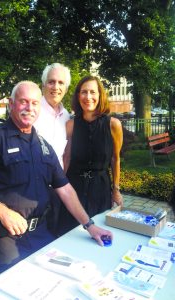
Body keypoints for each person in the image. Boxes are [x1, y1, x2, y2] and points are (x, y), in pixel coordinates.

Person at [0, 80, 113, 282]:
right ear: (11, 103)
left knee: (54, 282)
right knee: (12, 287)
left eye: (34, 103)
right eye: (23, 102)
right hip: (4, 236)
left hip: (41, 233)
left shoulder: (43, 145)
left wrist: (89, 225)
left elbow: (65, 189)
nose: (29, 108)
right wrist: (3, 213)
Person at [57, 75, 123, 235]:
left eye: (93, 92)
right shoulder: (71, 125)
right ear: (78, 96)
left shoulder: (113, 124)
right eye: (84, 92)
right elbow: (67, 157)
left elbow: (115, 158)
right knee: (71, 234)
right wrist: (59, 188)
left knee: (100, 232)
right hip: (74, 187)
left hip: (100, 188)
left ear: (100, 96)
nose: (88, 97)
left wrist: (116, 189)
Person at [34, 62, 71, 167]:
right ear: (43, 86)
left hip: (59, 181)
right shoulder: (32, 112)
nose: (56, 87)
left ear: (66, 89)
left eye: (61, 83)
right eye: (51, 82)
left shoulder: (66, 116)